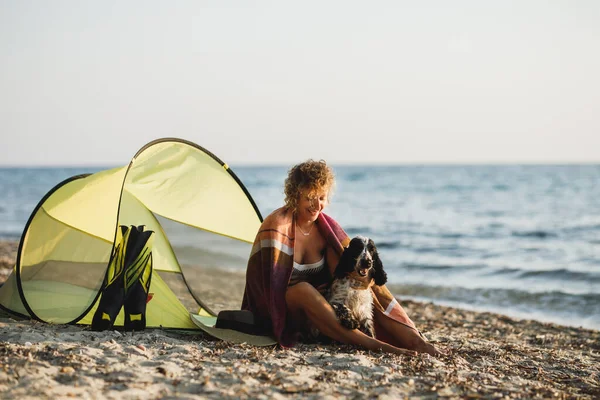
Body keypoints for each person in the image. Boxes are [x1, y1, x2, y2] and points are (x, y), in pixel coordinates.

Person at [242, 159, 440, 356]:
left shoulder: (326, 230)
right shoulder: (277, 225)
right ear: (295, 195)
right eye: (310, 197)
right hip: (282, 309)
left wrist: (365, 279)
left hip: (319, 310)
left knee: (365, 290)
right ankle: (375, 345)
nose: (316, 205)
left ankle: (415, 341)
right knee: (303, 289)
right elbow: (264, 284)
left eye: (321, 197)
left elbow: (343, 278)